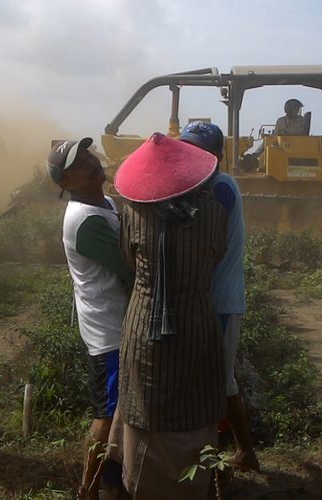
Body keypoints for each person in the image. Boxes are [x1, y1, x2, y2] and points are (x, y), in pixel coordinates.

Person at [110, 133, 227, 499]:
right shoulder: (214, 212)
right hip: (197, 319)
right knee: (196, 405)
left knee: (146, 410)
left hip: (145, 324)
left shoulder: (132, 212)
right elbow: (216, 257)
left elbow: (128, 261)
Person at [46, 138, 133, 499]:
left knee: (120, 411)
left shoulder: (107, 203)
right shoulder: (84, 220)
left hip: (118, 324)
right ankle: (88, 489)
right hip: (109, 331)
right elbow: (128, 268)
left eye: (89, 155)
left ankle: (112, 483)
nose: (92, 162)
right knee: (107, 415)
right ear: (65, 183)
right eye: (80, 163)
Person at [179, 122, 260, 472]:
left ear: (216, 158)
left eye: (200, 151)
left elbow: (208, 247)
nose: (191, 156)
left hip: (220, 300)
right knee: (207, 377)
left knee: (220, 379)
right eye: (187, 148)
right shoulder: (200, 186)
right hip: (204, 298)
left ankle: (242, 453)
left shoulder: (221, 187)